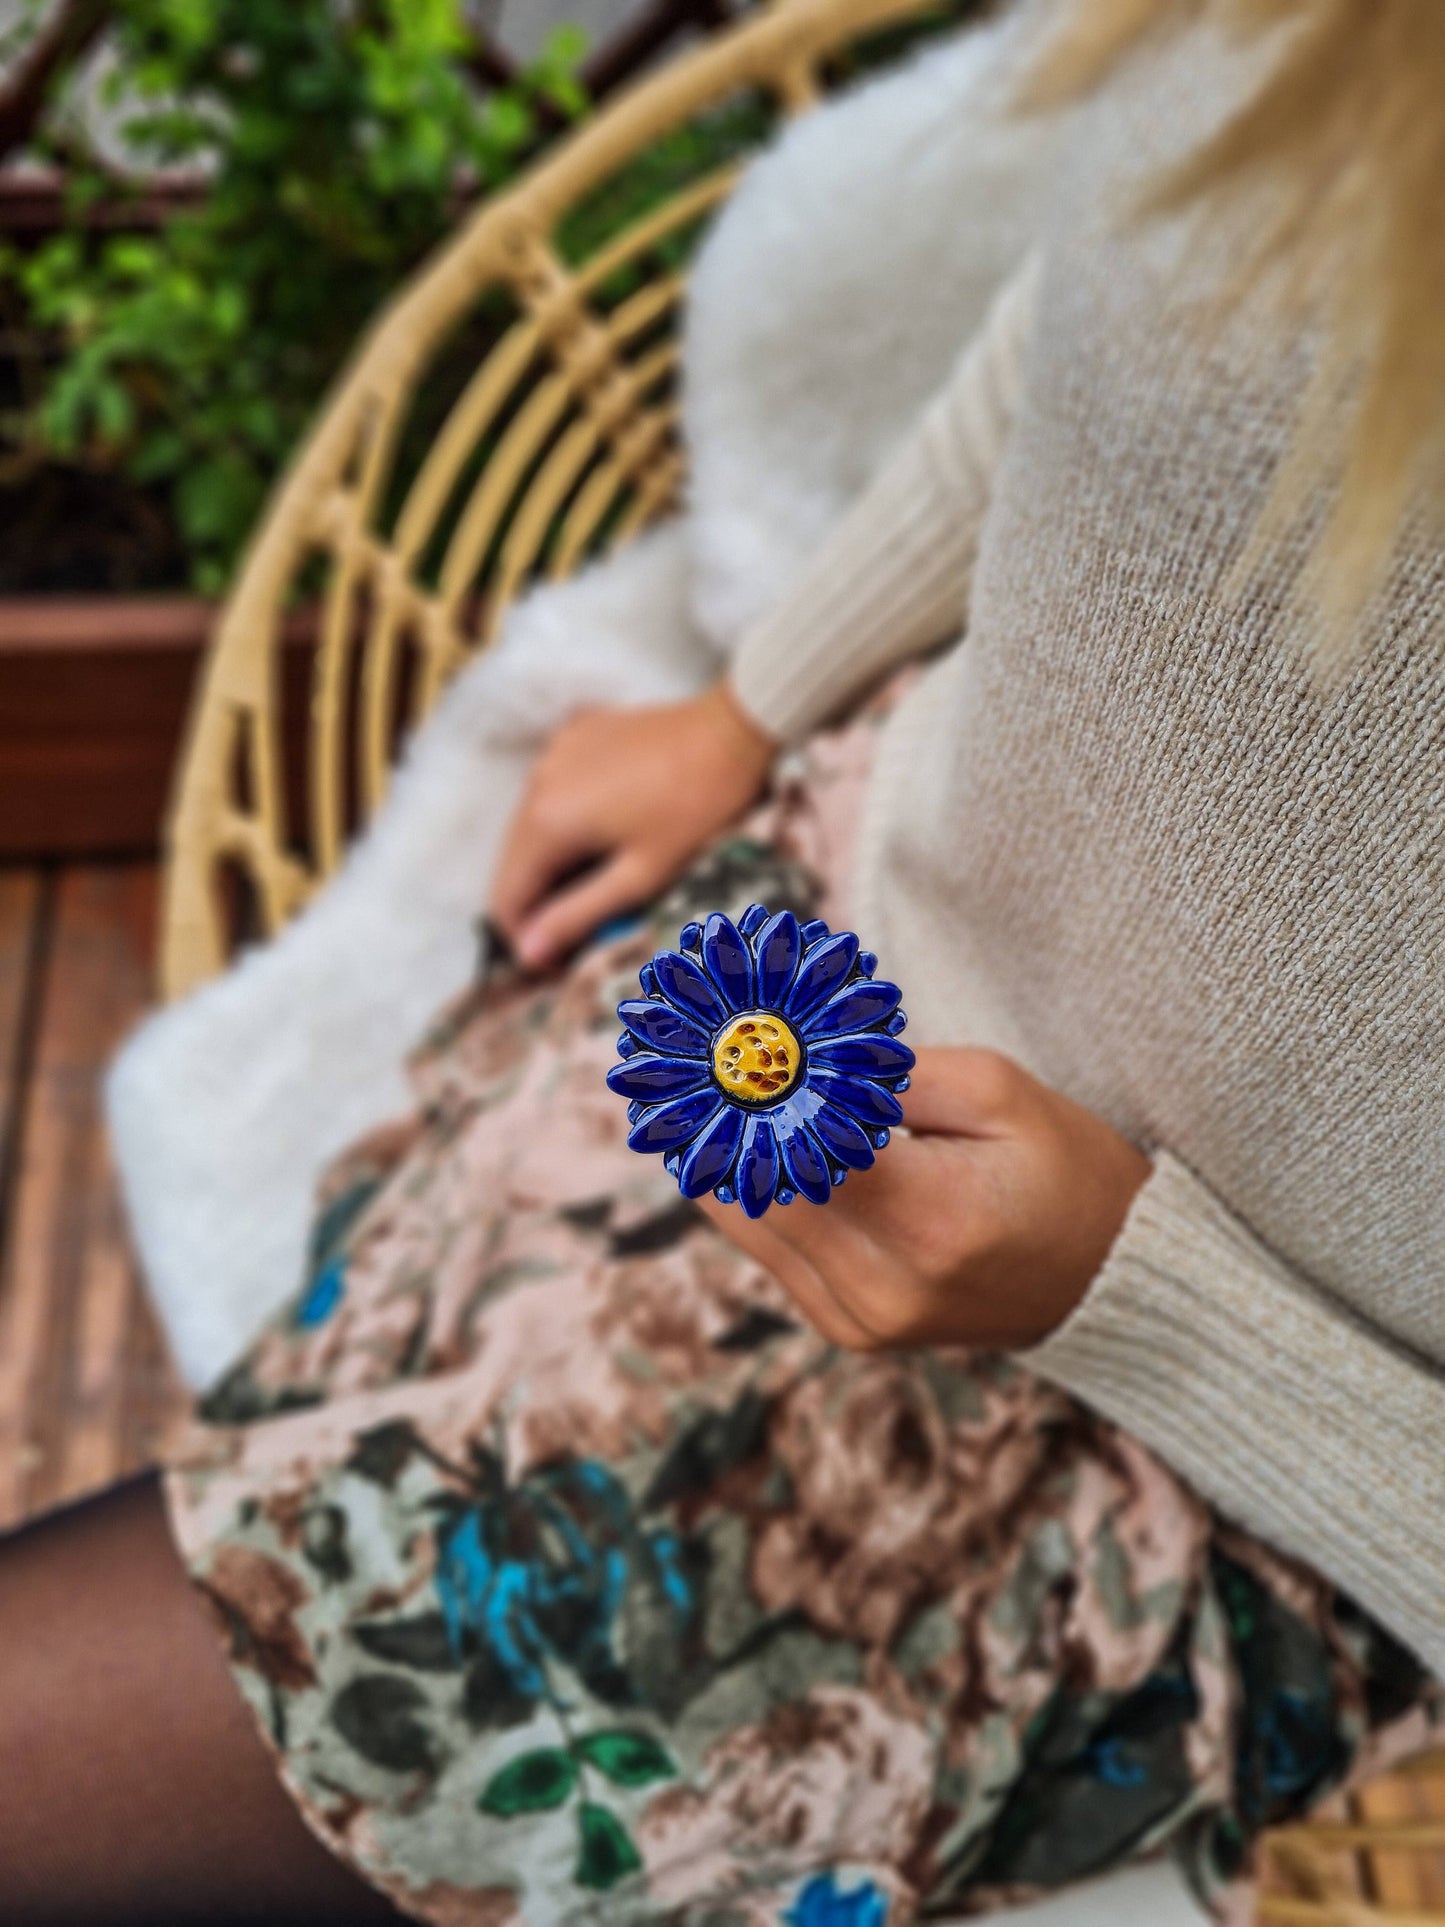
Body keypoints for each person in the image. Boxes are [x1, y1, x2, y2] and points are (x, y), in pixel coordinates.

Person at [2, 1, 1442, 1920]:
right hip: (814, 946)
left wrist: (1140, 1299)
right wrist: (748, 700)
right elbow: (1108, 316)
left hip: (1198, 1451)